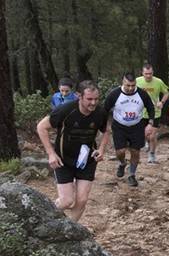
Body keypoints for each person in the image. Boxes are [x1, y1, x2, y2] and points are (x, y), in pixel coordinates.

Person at [36, 80, 110, 222]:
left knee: (81, 200)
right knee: (66, 201)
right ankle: (45, 220)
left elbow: (106, 130)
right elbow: (41, 127)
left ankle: (70, 229)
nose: (93, 103)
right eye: (89, 99)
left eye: (96, 99)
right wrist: (51, 153)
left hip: (86, 160)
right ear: (78, 96)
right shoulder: (65, 110)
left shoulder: (100, 112)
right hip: (64, 160)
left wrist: (101, 149)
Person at [104, 72, 155, 187]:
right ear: (123, 82)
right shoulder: (114, 94)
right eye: (128, 85)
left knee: (135, 152)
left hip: (137, 126)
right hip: (119, 126)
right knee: (120, 151)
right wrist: (105, 125)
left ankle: (132, 175)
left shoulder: (142, 94)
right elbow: (105, 109)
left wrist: (150, 123)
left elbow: (151, 108)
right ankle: (122, 163)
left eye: (133, 85)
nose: (131, 88)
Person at [136, 63, 169, 164]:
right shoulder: (137, 81)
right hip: (141, 112)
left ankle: (152, 154)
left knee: (152, 136)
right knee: (145, 134)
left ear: (153, 72)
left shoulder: (158, 82)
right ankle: (147, 142)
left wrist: (162, 102)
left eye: (150, 73)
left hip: (155, 112)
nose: (148, 76)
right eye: (146, 74)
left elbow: (167, 92)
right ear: (142, 73)